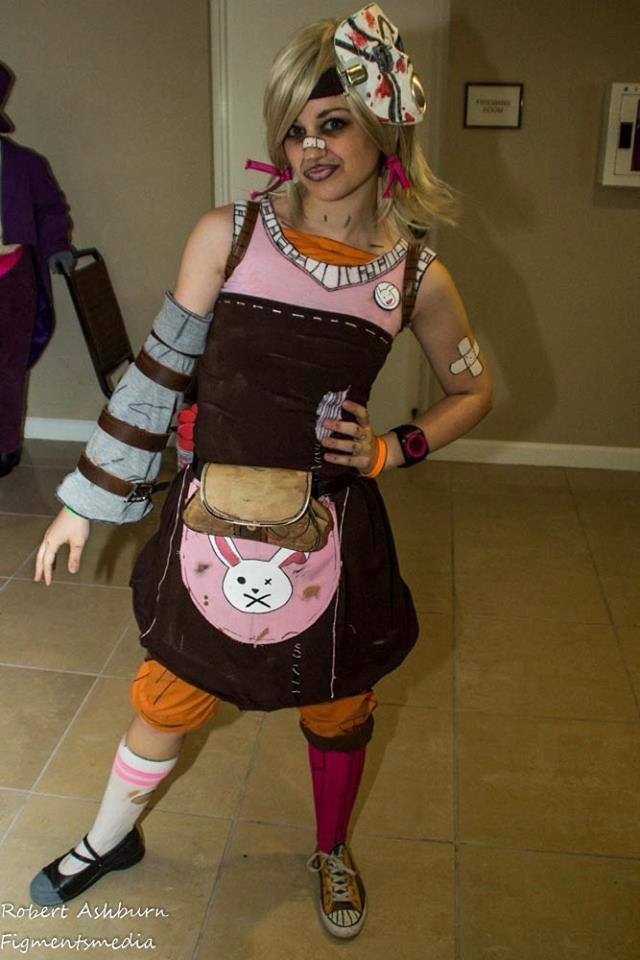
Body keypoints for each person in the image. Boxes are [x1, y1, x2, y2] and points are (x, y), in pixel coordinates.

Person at [29, 3, 492, 940]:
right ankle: (110, 838)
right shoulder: (228, 234)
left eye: (334, 123)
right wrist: (87, 499)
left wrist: (392, 448)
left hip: (329, 536)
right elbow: (160, 369)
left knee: (339, 705)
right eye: (293, 128)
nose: (309, 147)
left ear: (385, 124)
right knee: (169, 692)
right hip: (212, 522)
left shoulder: (416, 275)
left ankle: (330, 849)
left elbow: (472, 390)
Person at [0, 61, 74, 477]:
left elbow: (50, 210)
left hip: (12, 275)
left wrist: (57, 247)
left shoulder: (24, 164)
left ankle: (4, 444)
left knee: (7, 364)